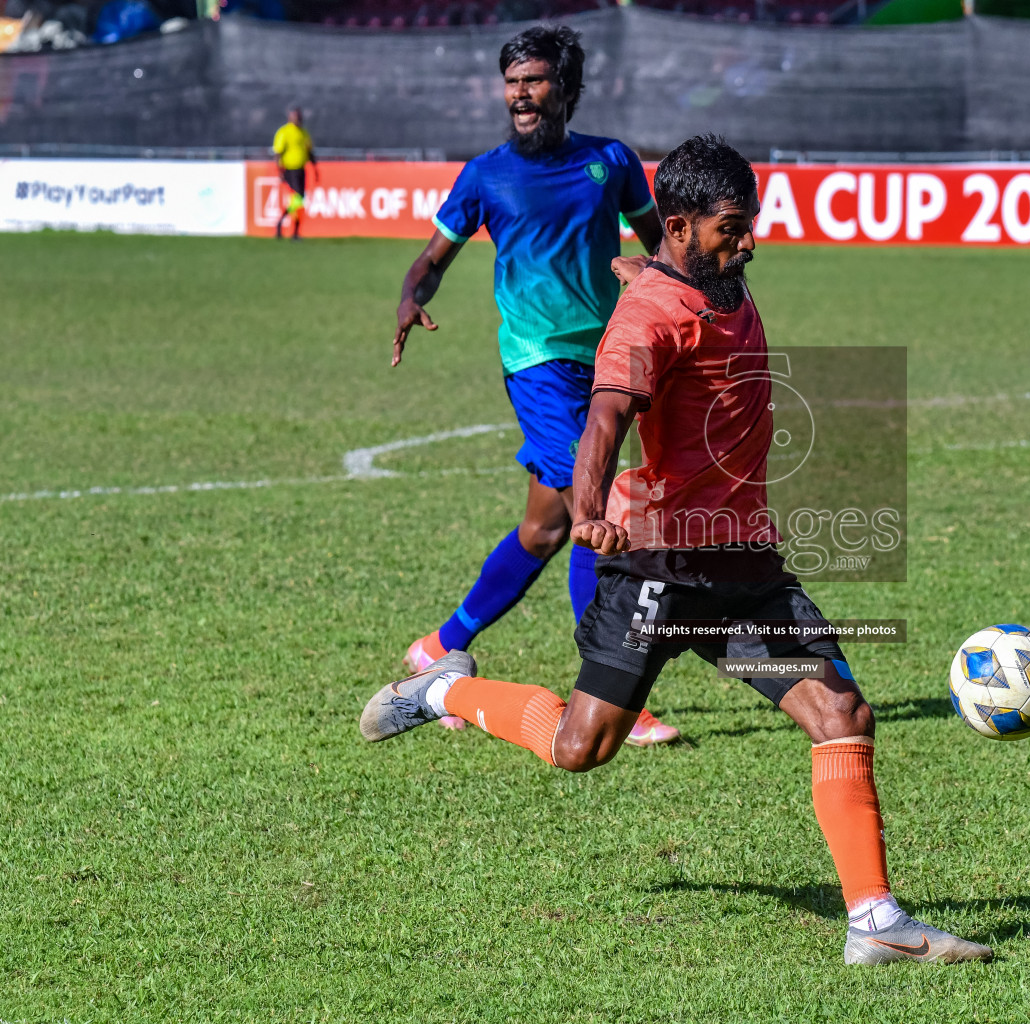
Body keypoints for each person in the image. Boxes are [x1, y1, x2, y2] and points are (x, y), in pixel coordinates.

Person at [362, 135, 992, 965]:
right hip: (658, 564)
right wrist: (587, 510)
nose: (750, 241)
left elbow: (669, 277)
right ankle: (446, 692)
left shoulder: (707, 271)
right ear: (683, 225)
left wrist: (649, 266)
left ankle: (874, 924)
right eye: (733, 228)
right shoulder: (647, 320)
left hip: (742, 564)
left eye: (752, 223)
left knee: (842, 713)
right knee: (579, 749)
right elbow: (605, 421)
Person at [391, 26, 677, 745]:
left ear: (566, 91)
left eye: (536, 80)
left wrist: (661, 279)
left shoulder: (610, 163)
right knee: (599, 506)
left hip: (609, 363)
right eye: (513, 80)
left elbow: (657, 245)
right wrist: (410, 294)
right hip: (537, 363)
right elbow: (433, 258)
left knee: (546, 526)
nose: (521, 93)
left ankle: (436, 648)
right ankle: (609, 692)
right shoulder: (485, 175)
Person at [272, 106, 317, 241]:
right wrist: (280, 171)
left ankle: (293, 231)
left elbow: (309, 151)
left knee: (298, 200)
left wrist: (315, 169)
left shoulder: (303, 133)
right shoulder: (284, 132)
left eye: (299, 116)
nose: (297, 119)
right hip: (290, 170)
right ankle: (285, 226)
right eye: (295, 116)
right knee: (297, 198)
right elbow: (278, 152)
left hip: (301, 170)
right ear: (290, 117)